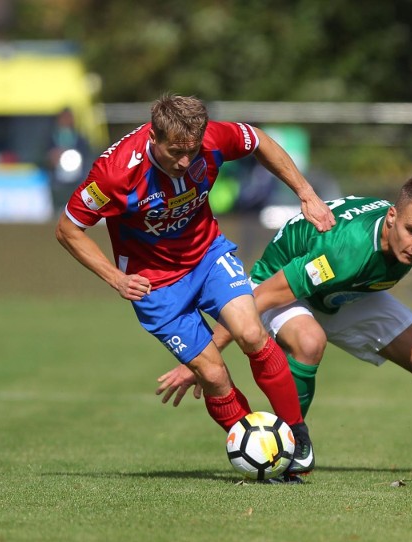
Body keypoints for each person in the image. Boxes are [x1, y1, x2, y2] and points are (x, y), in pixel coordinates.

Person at [157, 173, 412, 479]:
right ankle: (292, 448)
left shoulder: (396, 233)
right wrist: (203, 357)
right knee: (309, 339)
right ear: (392, 218)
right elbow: (264, 296)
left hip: (344, 291)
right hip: (280, 286)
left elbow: (361, 269)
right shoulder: (346, 250)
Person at [55, 93, 336, 479]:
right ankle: (267, 456)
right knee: (215, 376)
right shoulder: (115, 173)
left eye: (193, 151)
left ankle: (298, 440)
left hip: (207, 256)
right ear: (153, 136)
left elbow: (259, 140)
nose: (186, 161)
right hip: (155, 285)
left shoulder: (211, 139)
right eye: (176, 152)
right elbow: (69, 229)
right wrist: (115, 278)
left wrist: (305, 194)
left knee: (252, 333)